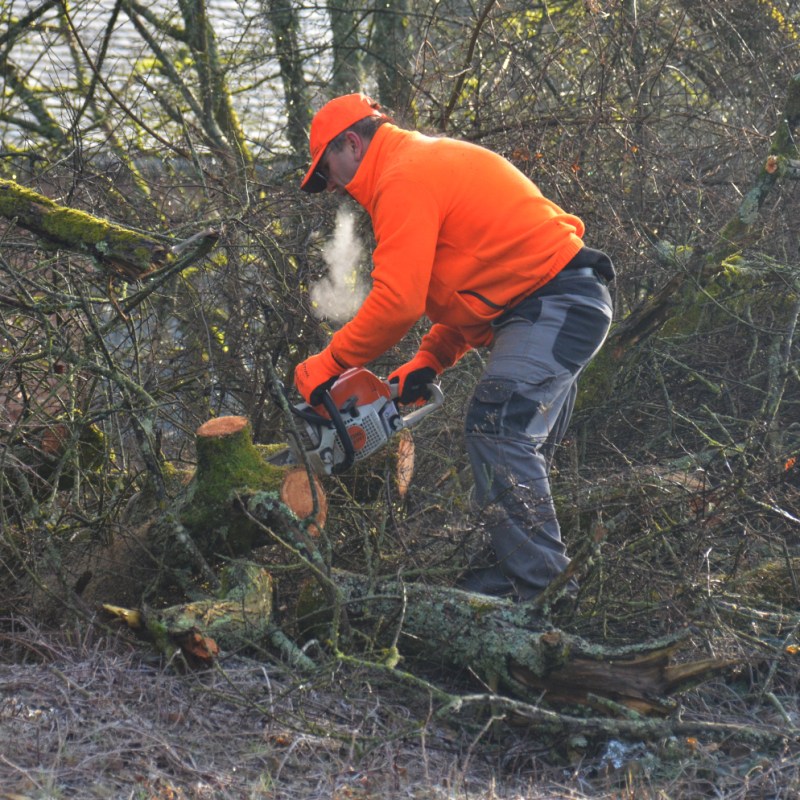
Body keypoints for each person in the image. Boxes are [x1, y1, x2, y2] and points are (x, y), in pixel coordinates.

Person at [294, 93, 614, 602]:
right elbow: (473, 290)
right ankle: (509, 577)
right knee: (514, 452)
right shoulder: (414, 167)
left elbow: (398, 302)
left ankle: (547, 597)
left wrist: (331, 361)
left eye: (329, 171)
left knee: (498, 428)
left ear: (352, 144)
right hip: (547, 305)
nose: (332, 186)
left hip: (555, 303)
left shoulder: (405, 176)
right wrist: (429, 360)